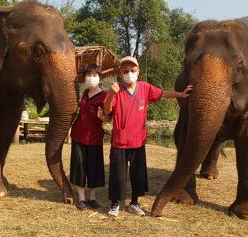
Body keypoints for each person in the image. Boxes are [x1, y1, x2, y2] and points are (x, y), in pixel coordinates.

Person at [103, 56, 192, 216]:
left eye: (133, 70)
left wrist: (181, 94)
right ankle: (115, 204)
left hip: (138, 141)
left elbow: (162, 93)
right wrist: (110, 94)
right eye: (126, 71)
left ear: (138, 71)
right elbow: (107, 111)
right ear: (121, 73)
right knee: (118, 175)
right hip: (120, 141)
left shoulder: (145, 88)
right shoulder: (116, 89)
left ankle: (134, 203)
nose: (129, 73)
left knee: (138, 174)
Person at [70, 63, 108, 210]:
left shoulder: (105, 96)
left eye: (94, 75)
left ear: (99, 77)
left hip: (94, 138)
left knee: (94, 168)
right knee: (79, 166)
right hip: (78, 135)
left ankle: (92, 198)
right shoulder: (85, 93)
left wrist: (104, 117)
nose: (91, 78)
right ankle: (81, 199)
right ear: (85, 77)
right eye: (88, 75)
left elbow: (108, 116)